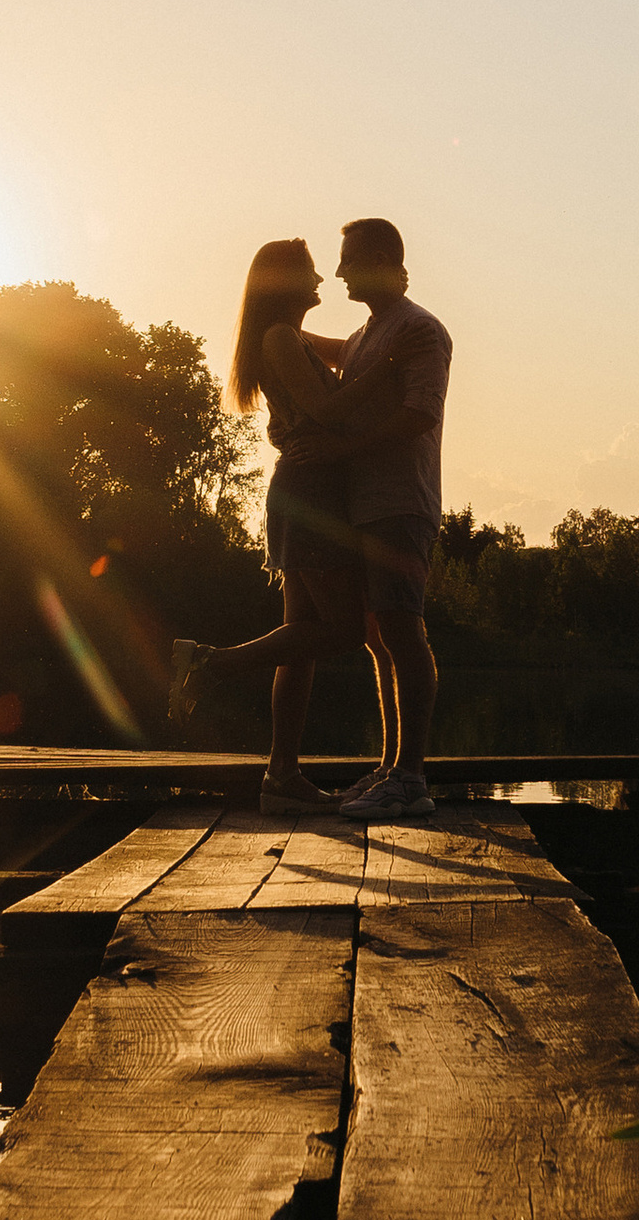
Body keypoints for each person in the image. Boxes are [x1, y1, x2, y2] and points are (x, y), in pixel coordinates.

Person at [171, 238, 372, 794]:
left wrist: (395, 341)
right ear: (285, 283)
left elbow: (354, 351)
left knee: (300, 642)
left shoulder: (292, 337)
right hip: (310, 497)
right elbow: (329, 409)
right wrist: (385, 389)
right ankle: (211, 662)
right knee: (346, 630)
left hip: (308, 493)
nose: (321, 282)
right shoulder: (280, 337)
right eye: (310, 272)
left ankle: (281, 775)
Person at [278, 218, 451, 820]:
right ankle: (389, 769)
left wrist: (337, 451)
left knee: (403, 631)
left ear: (381, 260)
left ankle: (412, 780)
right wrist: (273, 328)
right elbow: (314, 350)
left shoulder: (421, 330)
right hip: (359, 509)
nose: (341, 271)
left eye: (350, 259)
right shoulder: (365, 336)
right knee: (377, 639)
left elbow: (419, 416)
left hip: (401, 502)